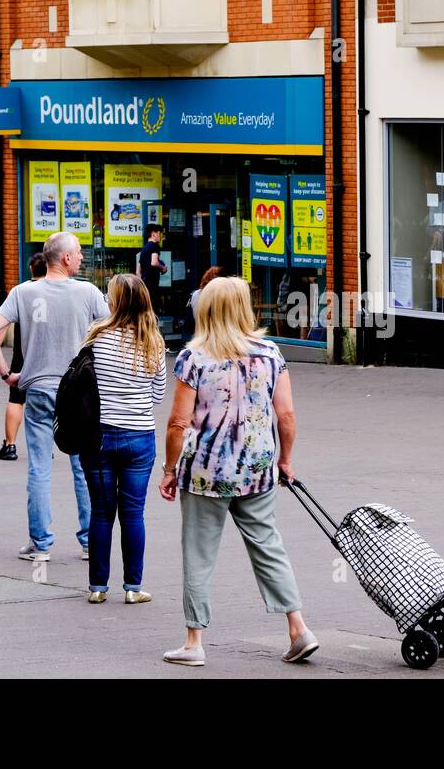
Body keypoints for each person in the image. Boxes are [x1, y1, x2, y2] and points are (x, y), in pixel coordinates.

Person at [159, 276, 318, 667]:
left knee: (199, 551)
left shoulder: (193, 357)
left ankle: (194, 641)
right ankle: (298, 627)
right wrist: (285, 460)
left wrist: (168, 468)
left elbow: (179, 423)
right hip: (258, 467)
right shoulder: (270, 353)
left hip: (204, 471)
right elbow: (287, 415)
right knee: (268, 544)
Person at [0, 231, 109, 561]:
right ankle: (88, 541)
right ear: (66, 258)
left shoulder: (23, 292)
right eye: (79, 252)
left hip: (37, 387)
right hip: (79, 392)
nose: (81, 257)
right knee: (83, 466)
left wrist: (6, 374)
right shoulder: (89, 293)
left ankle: (40, 544)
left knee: (39, 467)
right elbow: (112, 333)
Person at [82, 274, 167, 604]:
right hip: (139, 436)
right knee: (133, 513)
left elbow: (85, 384)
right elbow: (158, 395)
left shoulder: (97, 337)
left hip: (100, 435)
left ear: (116, 302)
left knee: (101, 512)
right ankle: (133, 587)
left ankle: (97, 588)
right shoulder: (154, 343)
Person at [0, 253, 47, 461]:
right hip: (48, 353)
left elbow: (2, 322)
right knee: (49, 399)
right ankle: (46, 446)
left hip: (23, 352)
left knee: (16, 399)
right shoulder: (59, 291)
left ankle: (10, 445)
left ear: (30, 269)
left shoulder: (21, 291)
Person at [140, 224, 167, 300]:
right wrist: (163, 268)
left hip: (145, 284)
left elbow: (138, 270)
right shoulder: (154, 246)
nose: (160, 236)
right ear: (153, 234)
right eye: (159, 233)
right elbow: (154, 262)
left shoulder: (144, 248)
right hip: (152, 284)